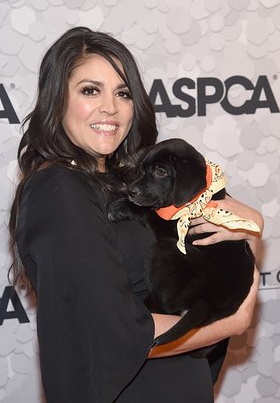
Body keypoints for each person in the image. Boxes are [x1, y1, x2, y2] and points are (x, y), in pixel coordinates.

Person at [9, 26, 263, 403]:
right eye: (90, 90)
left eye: (123, 93)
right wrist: (233, 321)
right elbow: (113, 336)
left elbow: (240, 218)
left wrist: (251, 223)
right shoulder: (61, 190)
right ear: (56, 101)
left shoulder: (123, 179)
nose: (110, 107)